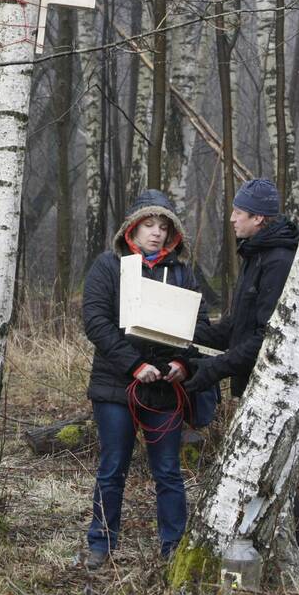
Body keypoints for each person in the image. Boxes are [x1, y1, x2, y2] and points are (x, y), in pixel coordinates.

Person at [77, 190, 209, 570]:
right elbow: (96, 322)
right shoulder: (108, 266)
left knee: (168, 470)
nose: (156, 233)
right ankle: (100, 543)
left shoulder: (183, 272)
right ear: (132, 227)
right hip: (115, 386)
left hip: (165, 390)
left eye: (163, 227)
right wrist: (134, 364)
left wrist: (182, 364)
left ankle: (173, 548)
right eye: (149, 225)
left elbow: (198, 324)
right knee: (113, 465)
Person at [182, 178, 299, 395]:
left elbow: (269, 337)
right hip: (250, 382)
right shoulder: (254, 253)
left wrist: (216, 367)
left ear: (257, 217)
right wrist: (187, 339)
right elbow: (239, 323)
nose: (231, 219)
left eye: (238, 212)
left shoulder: (279, 262)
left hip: (271, 389)